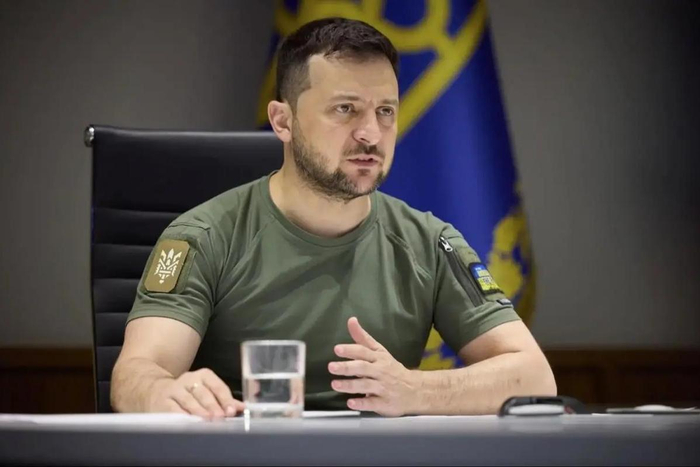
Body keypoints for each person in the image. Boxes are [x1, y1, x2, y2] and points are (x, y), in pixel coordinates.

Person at [111, 17, 556, 419]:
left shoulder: (428, 241)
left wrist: (415, 390)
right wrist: (164, 393)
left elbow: (534, 377)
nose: (370, 133)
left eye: (385, 111)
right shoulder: (204, 236)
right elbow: (134, 376)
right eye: (345, 109)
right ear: (282, 121)